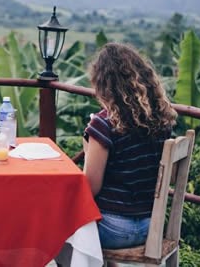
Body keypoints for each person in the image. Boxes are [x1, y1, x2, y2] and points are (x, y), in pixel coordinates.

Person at [83, 43, 177, 250]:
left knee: (59, 230)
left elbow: (90, 187)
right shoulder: (162, 120)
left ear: (103, 84)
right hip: (150, 227)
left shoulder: (104, 123)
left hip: (112, 230)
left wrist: (88, 144)